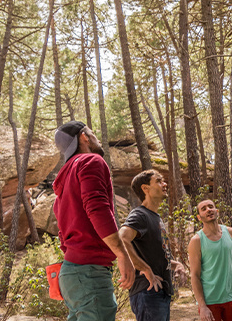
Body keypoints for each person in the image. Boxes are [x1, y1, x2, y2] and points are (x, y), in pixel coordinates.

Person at [52, 120, 136, 321]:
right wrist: (122, 255)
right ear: (84, 137)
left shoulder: (65, 179)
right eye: (93, 133)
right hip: (88, 272)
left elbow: (63, 232)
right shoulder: (90, 161)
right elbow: (98, 210)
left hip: (71, 274)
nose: (96, 137)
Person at [119, 170, 187, 321]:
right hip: (148, 290)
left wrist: (176, 264)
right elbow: (122, 238)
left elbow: (154, 255)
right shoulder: (140, 215)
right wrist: (145, 268)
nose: (165, 184)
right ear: (145, 188)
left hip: (159, 292)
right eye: (159, 181)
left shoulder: (155, 217)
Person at [187, 199, 232, 321]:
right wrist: (202, 306)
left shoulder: (230, 233)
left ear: (217, 211)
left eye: (210, 207)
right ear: (199, 217)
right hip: (210, 301)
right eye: (204, 209)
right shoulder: (196, 241)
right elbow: (195, 276)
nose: (208, 210)